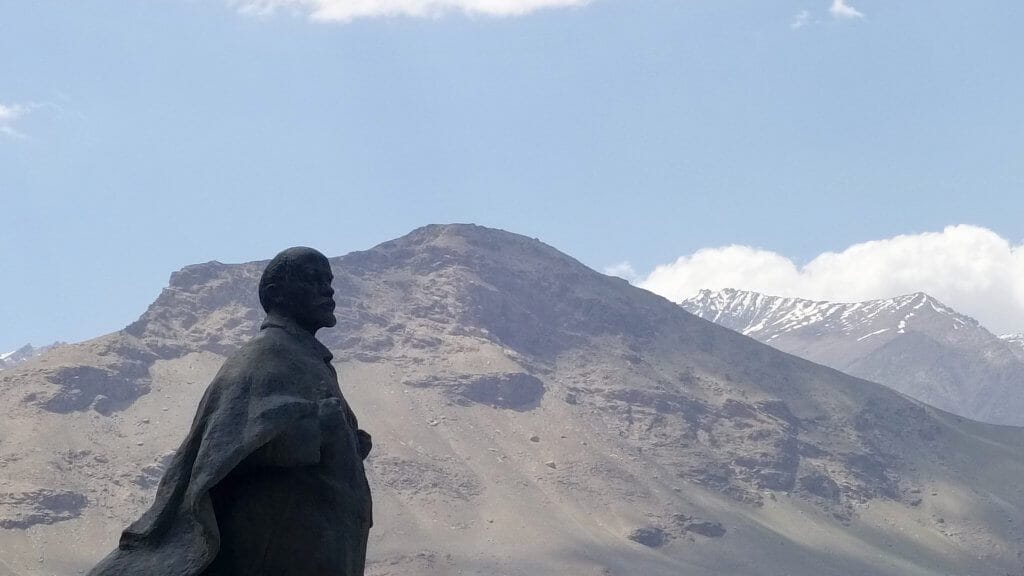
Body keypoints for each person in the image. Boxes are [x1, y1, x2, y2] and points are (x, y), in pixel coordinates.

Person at [89, 247, 373, 576]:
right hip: (277, 545)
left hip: (320, 540)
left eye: (328, 280)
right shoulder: (266, 356)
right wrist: (318, 426)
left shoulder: (309, 360)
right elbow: (230, 445)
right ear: (275, 294)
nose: (327, 289)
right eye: (313, 280)